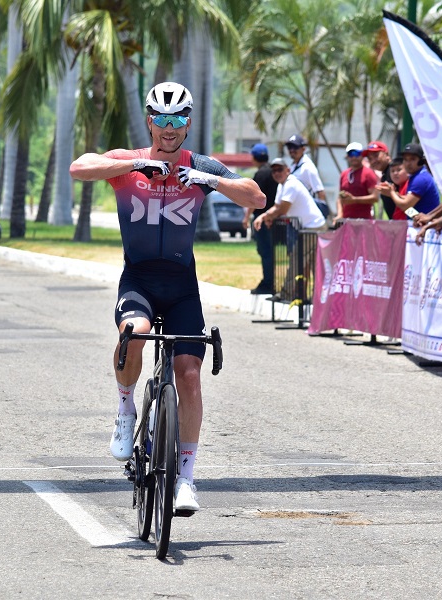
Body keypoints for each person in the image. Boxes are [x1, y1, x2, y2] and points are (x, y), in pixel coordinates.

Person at [69, 81, 264, 512]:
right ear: (149, 120)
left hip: (181, 289)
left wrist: (208, 178)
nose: (169, 128)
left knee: (189, 374)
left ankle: (187, 480)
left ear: (189, 122)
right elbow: (79, 168)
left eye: (178, 119)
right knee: (133, 334)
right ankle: (125, 412)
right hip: (138, 280)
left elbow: (256, 195)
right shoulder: (127, 163)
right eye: (161, 118)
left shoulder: (201, 166)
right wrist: (138, 163)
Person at [254, 159, 327, 231]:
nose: (277, 173)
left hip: (314, 227)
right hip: (304, 227)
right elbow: (276, 207)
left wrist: (266, 217)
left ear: (288, 170)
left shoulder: (291, 184)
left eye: (280, 170)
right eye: (274, 171)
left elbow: (282, 210)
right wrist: (264, 216)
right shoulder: (281, 185)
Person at [242, 143, 277, 295]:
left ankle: (268, 283)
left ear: (254, 158)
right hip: (274, 217)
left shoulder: (260, 174)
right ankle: (271, 281)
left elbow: (255, 199)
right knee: (270, 252)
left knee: (265, 251)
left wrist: (246, 217)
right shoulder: (273, 171)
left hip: (262, 219)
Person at [380, 143, 440, 221]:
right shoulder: (415, 176)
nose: (408, 163)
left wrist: (391, 193)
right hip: (420, 225)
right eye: (405, 159)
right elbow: (408, 208)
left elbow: (405, 205)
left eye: (412, 159)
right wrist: (394, 193)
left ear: (421, 161)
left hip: (428, 228)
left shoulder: (420, 179)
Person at [284, 133, 328, 218]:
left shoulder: (308, 167)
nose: (292, 150)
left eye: (295, 147)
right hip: (295, 214)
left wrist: (320, 215)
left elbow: (320, 192)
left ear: (303, 149)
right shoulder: (293, 166)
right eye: (289, 147)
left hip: (305, 215)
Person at [336, 142, 379, 221]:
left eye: (357, 154)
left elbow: (375, 198)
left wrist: (354, 199)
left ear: (362, 155)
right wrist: (339, 214)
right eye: (351, 154)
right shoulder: (344, 174)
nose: (354, 157)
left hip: (363, 221)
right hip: (346, 221)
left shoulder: (368, 173)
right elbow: (340, 197)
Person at [363, 140, 395, 219]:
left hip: (408, 225)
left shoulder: (393, 172)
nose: (373, 161)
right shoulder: (385, 174)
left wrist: (413, 217)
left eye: (376, 155)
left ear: (386, 154)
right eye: (370, 158)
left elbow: (407, 202)